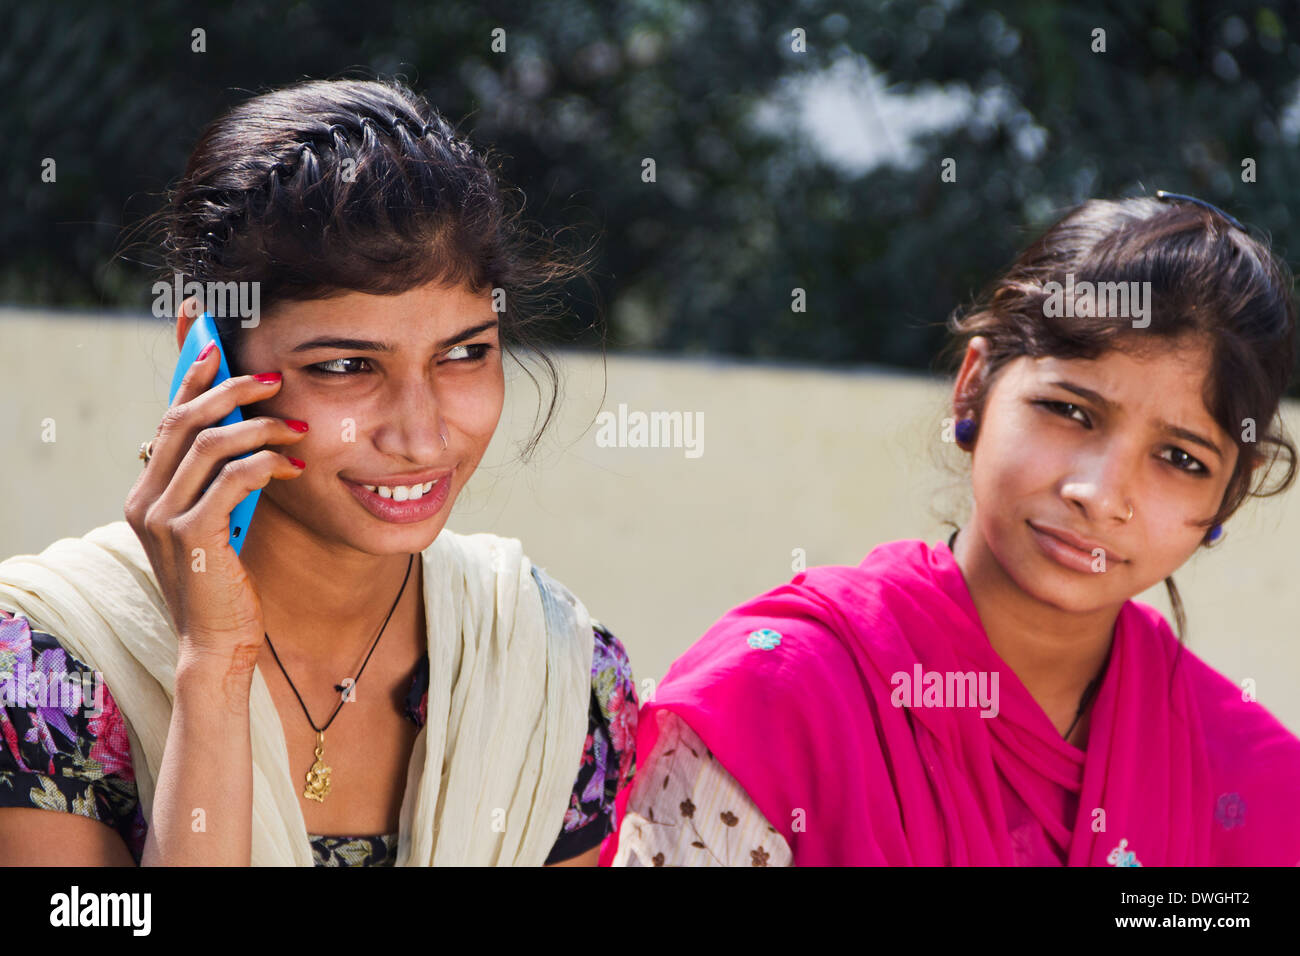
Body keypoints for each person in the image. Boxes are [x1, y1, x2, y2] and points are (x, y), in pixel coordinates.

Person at [0, 77, 637, 866]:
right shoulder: (44, 675)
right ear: (209, 360)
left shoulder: (551, 672)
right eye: (346, 365)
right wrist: (213, 668)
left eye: (465, 353)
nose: (420, 432)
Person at [603, 193, 1300, 866]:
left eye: (1180, 459)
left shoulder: (1255, 782)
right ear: (973, 387)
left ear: (1231, 492)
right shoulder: (782, 697)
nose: (1099, 494)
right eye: (1069, 411)